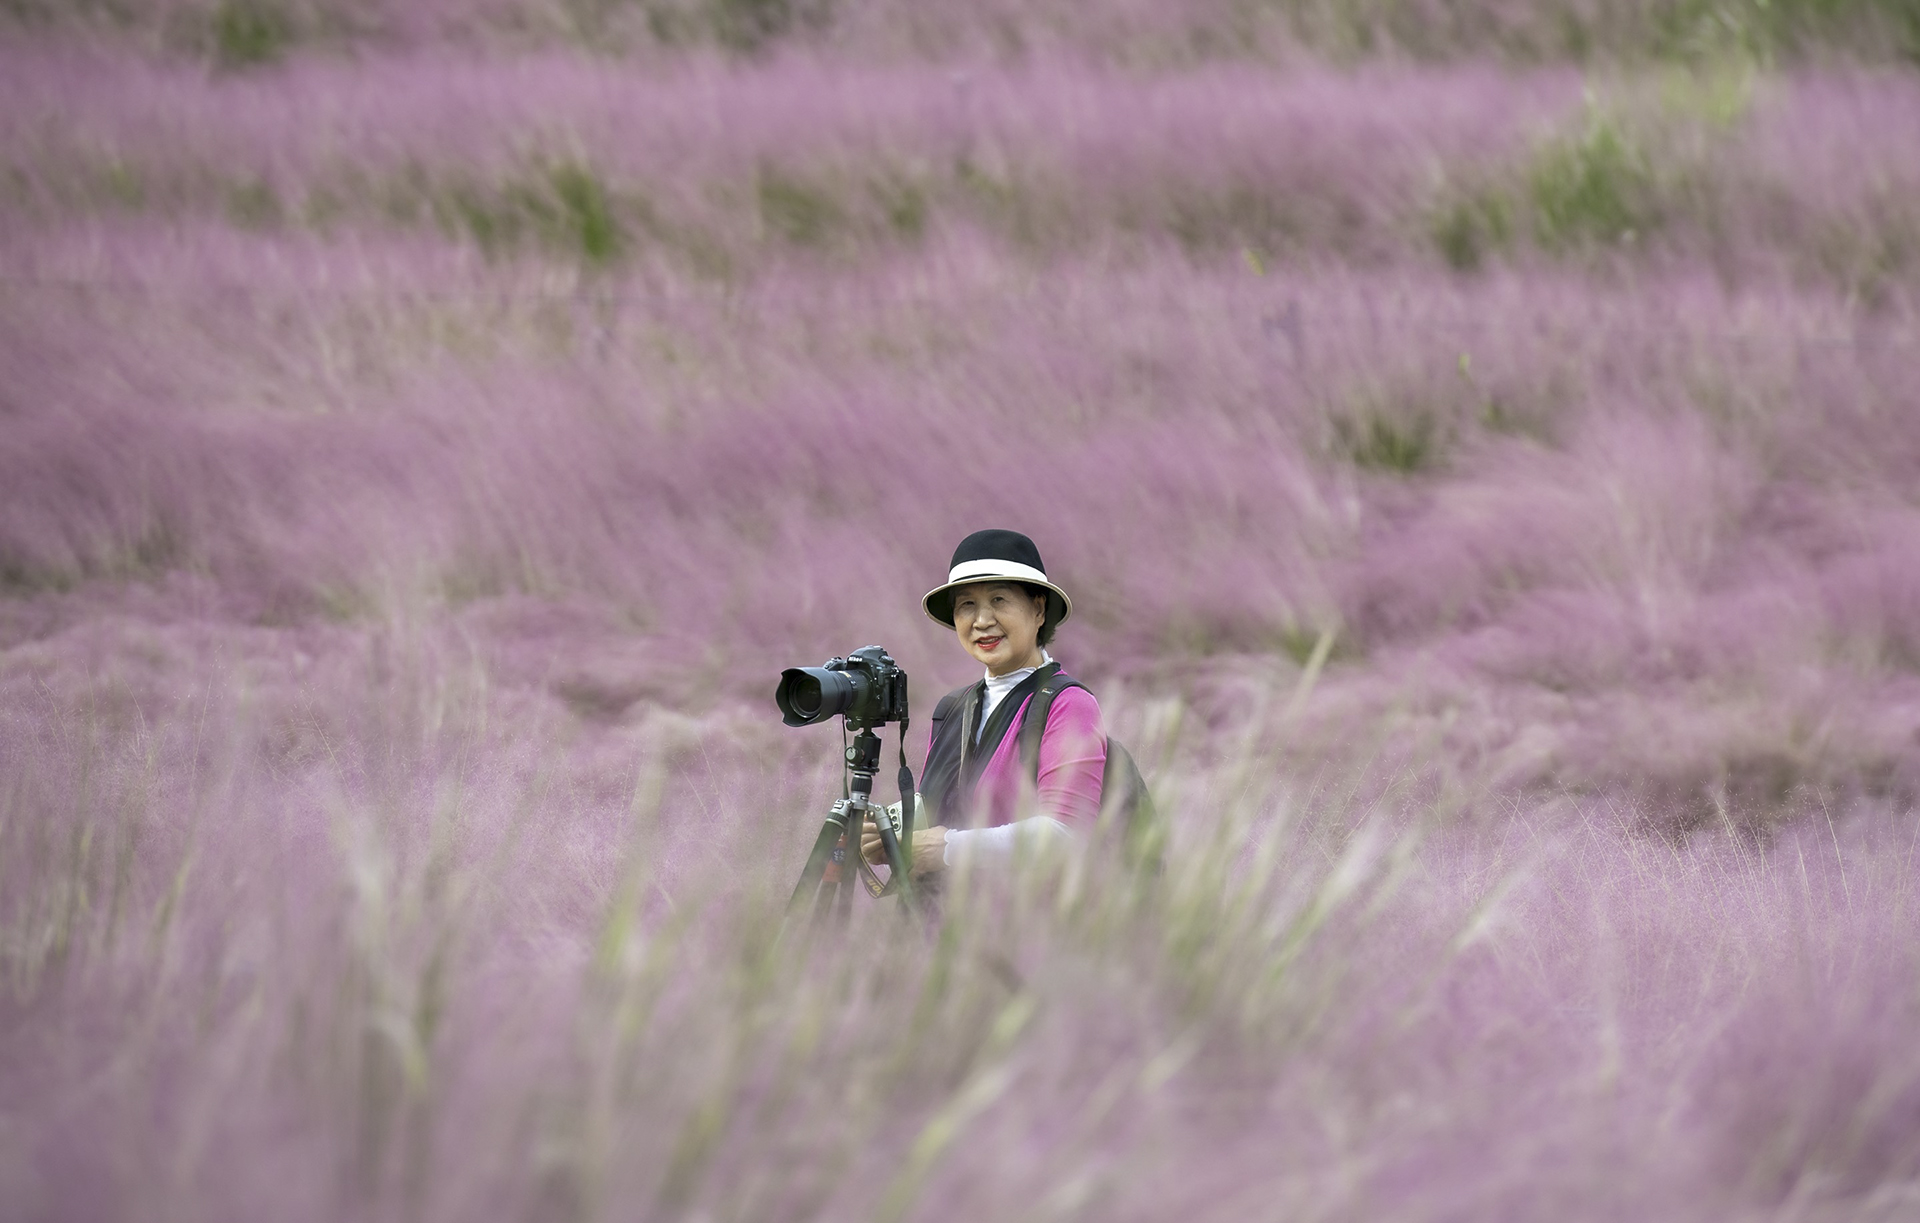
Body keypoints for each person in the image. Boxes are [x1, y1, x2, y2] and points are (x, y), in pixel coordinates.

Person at [862, 528, 1105, 882]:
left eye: (999, 599)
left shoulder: (1069, 705)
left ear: (1038, 610)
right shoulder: (953, 708)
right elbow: (945, 816)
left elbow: (1066, 835)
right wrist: (889, 840)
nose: (982, 621)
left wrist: (948, 848)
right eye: (967, 605)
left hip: (1024, 915)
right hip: (941, 915)